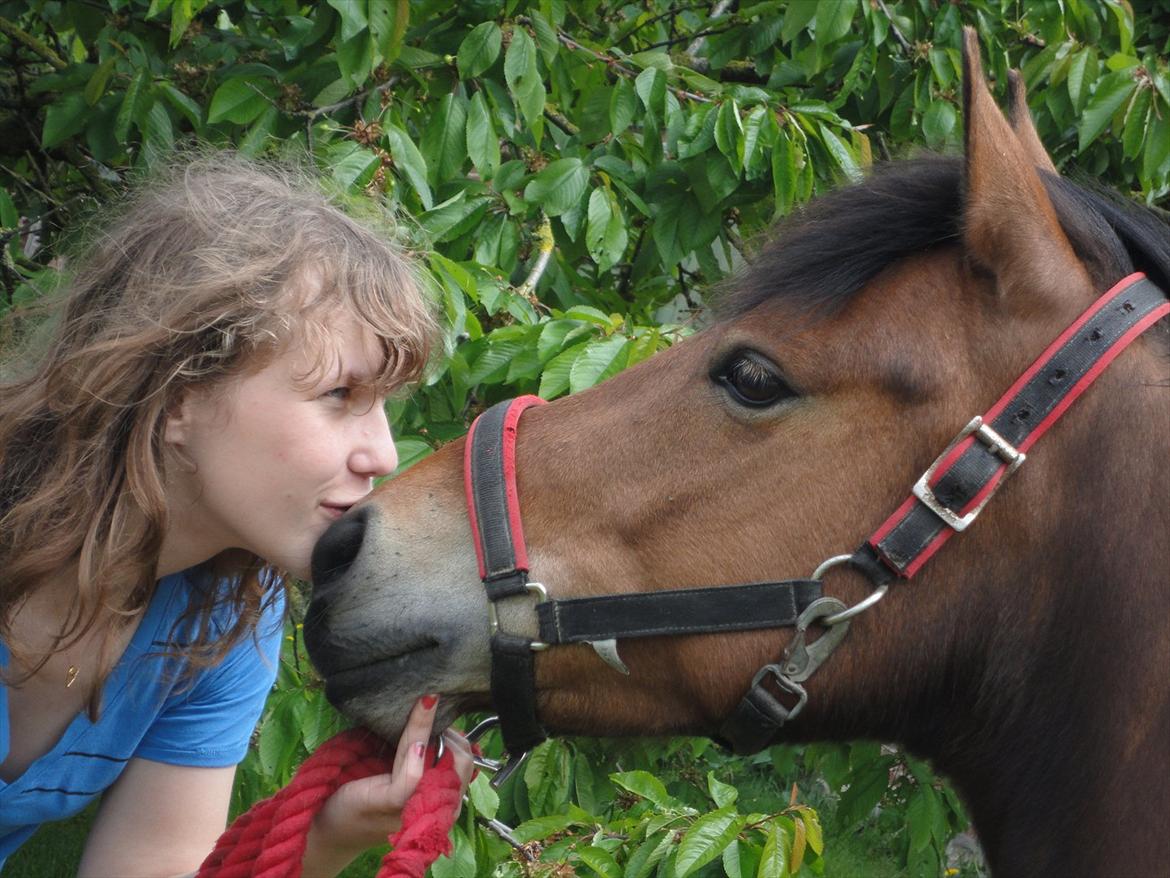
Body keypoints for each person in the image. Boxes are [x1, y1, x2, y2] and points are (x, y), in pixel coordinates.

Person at [0, 154, 475, 876]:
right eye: (340, 395)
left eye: (384, 408)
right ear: (177, 397)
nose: (382, 453)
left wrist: (330, 834)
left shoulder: (223, 619)